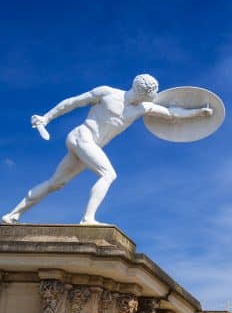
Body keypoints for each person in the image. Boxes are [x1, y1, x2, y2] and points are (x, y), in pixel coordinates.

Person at [2, 74, 212, 225]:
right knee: (109, 174)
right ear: (143, 91)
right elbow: (72, 103)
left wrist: (199, 112)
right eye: (150, 93)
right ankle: (87, 219)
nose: (152, 97)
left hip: (87, 146)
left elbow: (171, 113)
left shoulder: (142, 108)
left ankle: (12, 215)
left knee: (55, 184)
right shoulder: (107, 93)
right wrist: (46, 117)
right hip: (82, 136)